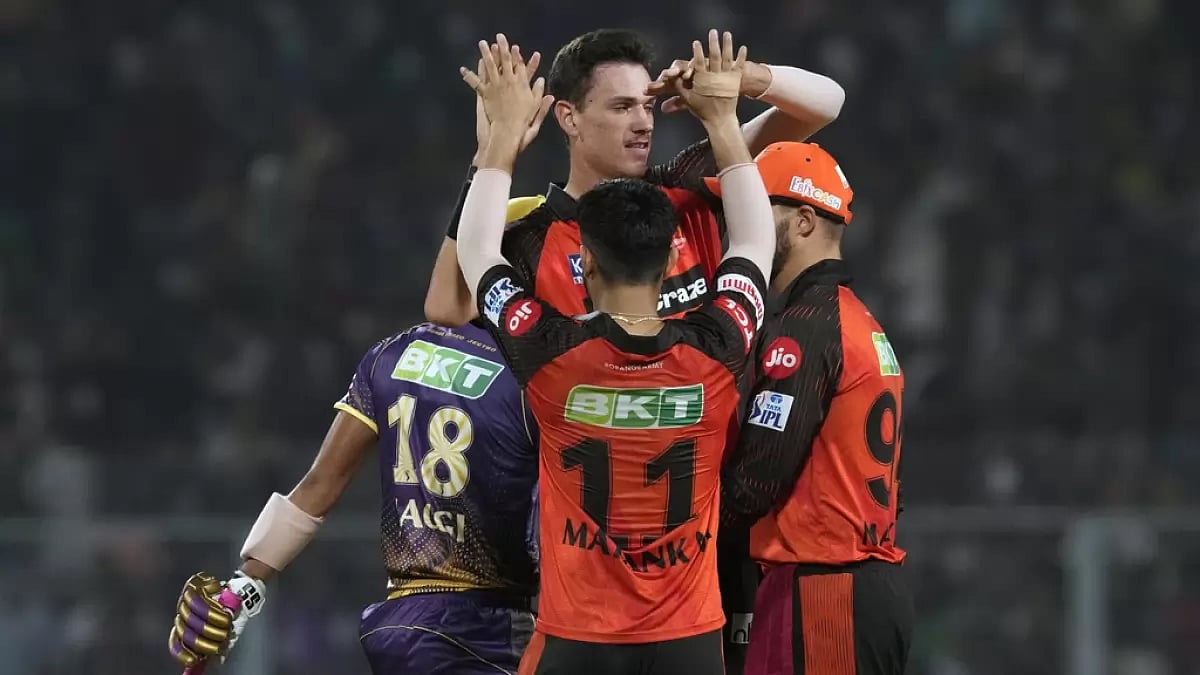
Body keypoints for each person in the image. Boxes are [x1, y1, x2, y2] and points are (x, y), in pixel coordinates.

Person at [455, 33, 772, 674]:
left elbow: (478, 255)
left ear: (587, 264)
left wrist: (499, 145)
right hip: (687, 640)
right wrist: (721, 121)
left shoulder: (548, 355)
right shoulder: (718, 351)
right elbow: (755, 240)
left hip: (577, 637)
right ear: (668, 265)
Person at [167, 321, 540, 675]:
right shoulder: (540, 372)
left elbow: (319, 484)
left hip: (401, 622)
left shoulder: (393, 354)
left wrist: (240, 590)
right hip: (484, 628)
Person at [424, 28, 845, 326]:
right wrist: (489, 151)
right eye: (622, 108)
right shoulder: (534, 234)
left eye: (646, 106)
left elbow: (826, 104)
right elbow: (447, 306)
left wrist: (745, 78)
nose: (644, 123)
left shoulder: (684, 185)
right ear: (570, 118)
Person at [714, 142, 915, 675]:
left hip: (824, 589)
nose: (741, 228)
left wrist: (676, 537)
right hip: (863, 583)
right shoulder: (860, 322)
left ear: (803, 222)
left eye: (756, 211)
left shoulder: (804, 327)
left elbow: (756, 479)